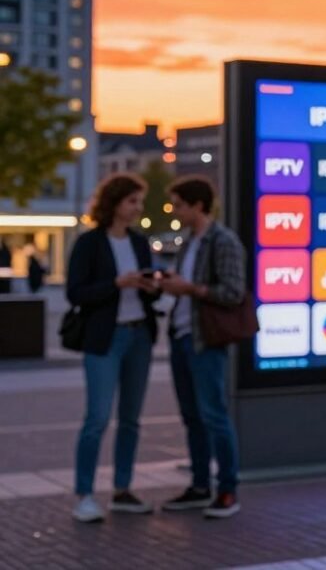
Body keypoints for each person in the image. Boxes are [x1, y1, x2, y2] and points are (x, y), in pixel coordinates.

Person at [66, 173, 160, 523]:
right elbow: (75, 293)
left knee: (131, 419)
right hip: (105, 338)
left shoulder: (139, 242)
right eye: (132, 201)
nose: (138, 208)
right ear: (115, 203)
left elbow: (150, 287)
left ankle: (123, 490)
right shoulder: (89, 243)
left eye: (139, 202)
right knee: (98, 418)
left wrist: (152, 287)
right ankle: (85, 495)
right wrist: (116, 284)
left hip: (139, 335)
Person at [156, 176, 245, 519]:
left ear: (198, 205)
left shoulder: (222, 241)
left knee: (214, 415)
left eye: (179, 205)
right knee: (192, 417)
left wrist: (190, 289)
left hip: (205, 340)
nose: (175, 211)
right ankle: (199, 485)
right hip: (182, 336)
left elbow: (233, 292)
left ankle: (227, 489)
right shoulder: (189, 242)